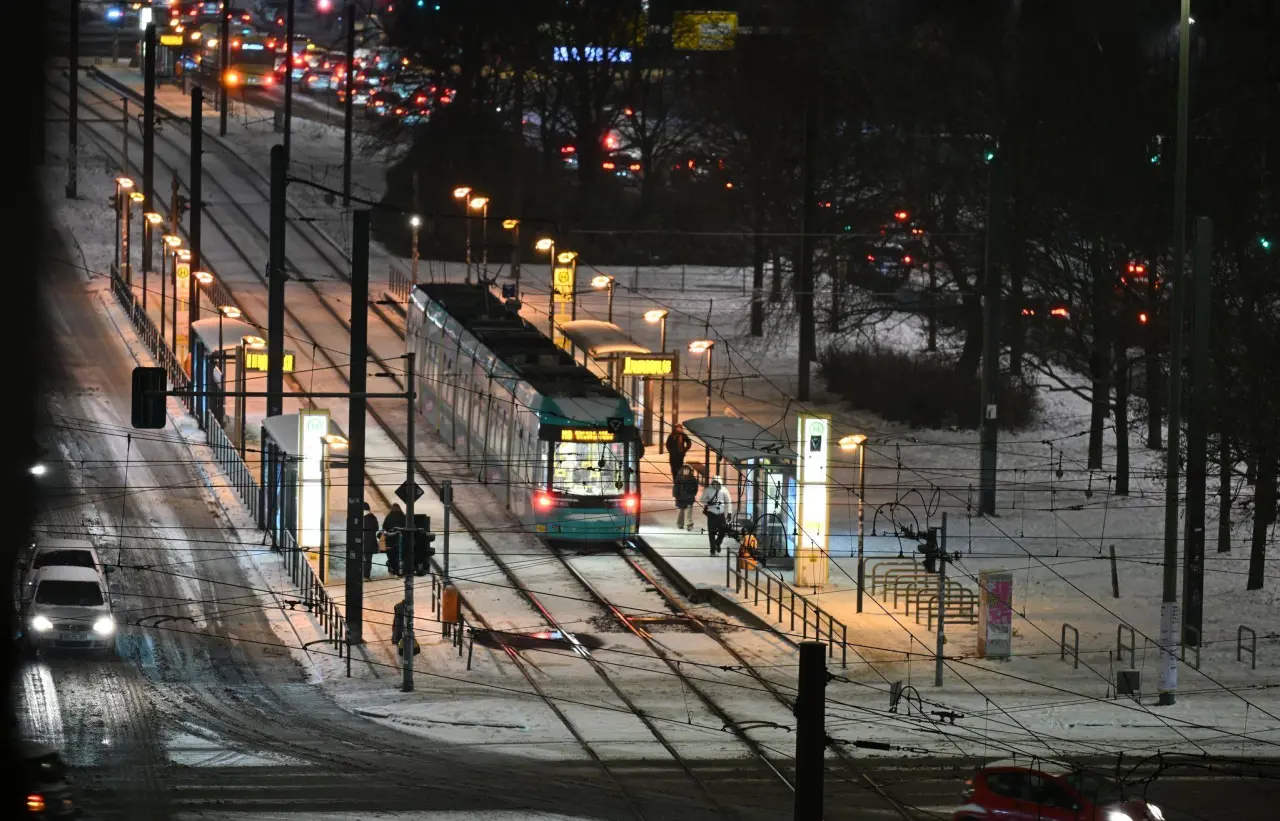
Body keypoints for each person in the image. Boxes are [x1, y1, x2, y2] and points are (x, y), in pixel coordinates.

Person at [700, 476, 732, 556]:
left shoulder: (724, 490)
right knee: (711, 533)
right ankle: (712, 550)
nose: (715, 484)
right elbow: (702, 499)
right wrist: (708, 502)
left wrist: (729, 513)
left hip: (721, 514)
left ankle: (717, 543)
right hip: (711, 514)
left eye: (717, 483)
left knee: (723, 530)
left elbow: (728, 502)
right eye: (714, 482)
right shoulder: (708, 490)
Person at [673, 465, 699, 531]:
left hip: (689, 498)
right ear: (682, 471)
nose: (686, 471)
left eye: (688, 470)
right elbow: (676, 488)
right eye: (685, 470)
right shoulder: (679, 479)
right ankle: (680, 523)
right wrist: (675, 495)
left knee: (689, 512)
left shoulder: (693, 479)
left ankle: (689, 524)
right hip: (681, 498)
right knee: (681, 512)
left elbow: (696, 487)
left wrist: (693, 493)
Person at [382, 503, 405, 576]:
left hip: (390, 540)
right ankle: (400, 570)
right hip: (401, 540)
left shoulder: (389, 517)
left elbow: (384, 528)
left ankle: (393, 569)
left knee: (391, 555)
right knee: (400, 555)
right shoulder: (403, 516)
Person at [361, 502, 379, 581]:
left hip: (360, 541)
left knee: (358, 559)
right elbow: (376, 528)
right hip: (370, 541)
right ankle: (366, 576)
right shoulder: (373, 517)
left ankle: (358, 575)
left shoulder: (359, 517)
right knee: (368, 560)